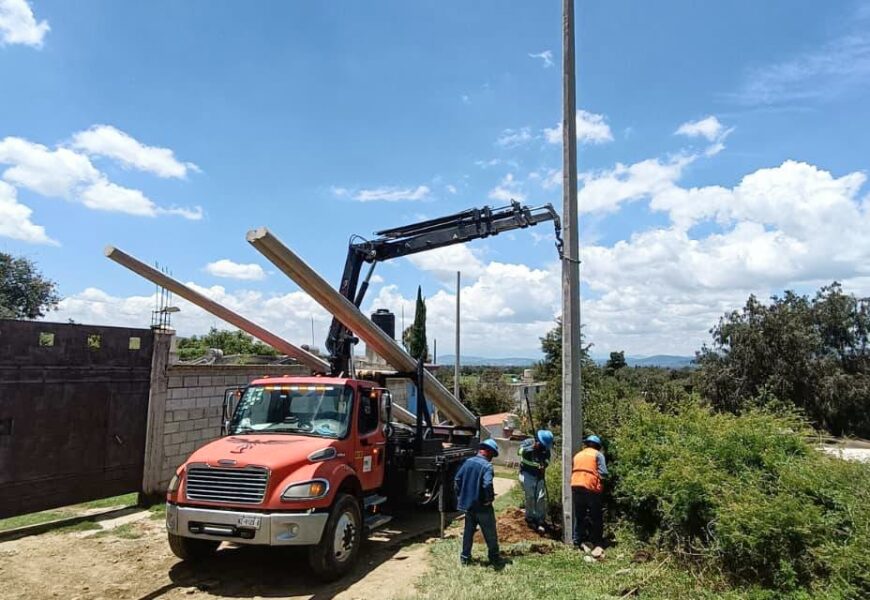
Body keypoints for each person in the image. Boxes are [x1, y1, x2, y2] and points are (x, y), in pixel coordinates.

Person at [455, 439, 502, 566]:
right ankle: (494, 558)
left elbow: (457, 479)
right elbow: (487, 484)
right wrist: (488, 499)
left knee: (468, 533)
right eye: (492, 455)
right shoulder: (487, 466)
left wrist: (461, 497)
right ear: (488, 452)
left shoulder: (467, 462)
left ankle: (465, 558)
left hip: (469, 506)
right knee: (490, 533)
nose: (492, 458)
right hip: (482, 507)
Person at [571, 434, 608, 554]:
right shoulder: (598, 455)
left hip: (576, 485)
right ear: (597, 446)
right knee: (596, 516)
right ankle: (597, 542)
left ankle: (577, 542)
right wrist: (602, 487)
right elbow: (603, 473)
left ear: (586, 444)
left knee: (579, 515)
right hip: (590, 487)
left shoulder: (578, 455)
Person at [518, 429, 554, 532]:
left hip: (539, 476)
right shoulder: (528, 442)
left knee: (540, 498)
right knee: (530, 497)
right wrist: (531, 448)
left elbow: (547, 460)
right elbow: (519, 451)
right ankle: (530, 518)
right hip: (527, 474)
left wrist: (544, 465)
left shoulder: (546, 449)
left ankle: (540, 519)